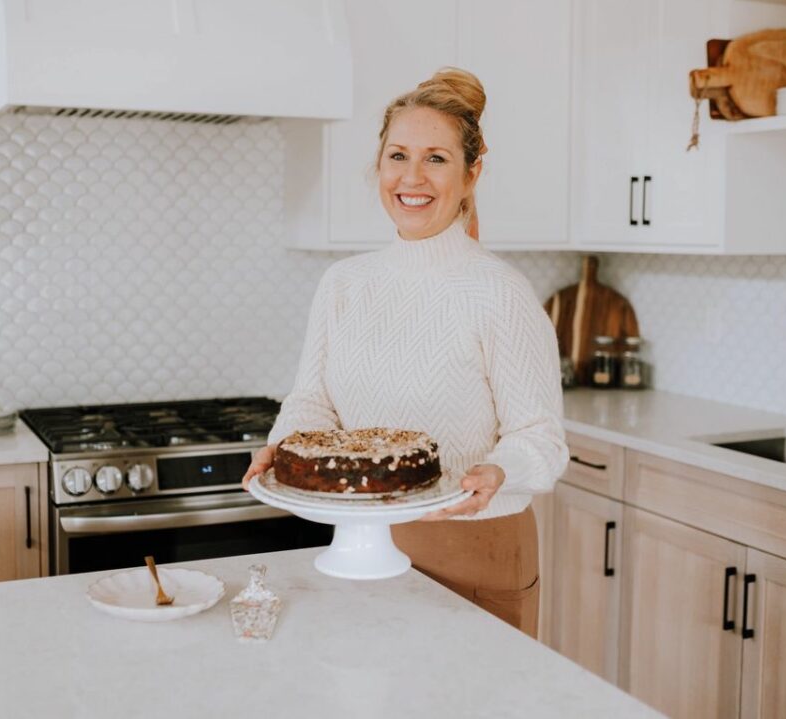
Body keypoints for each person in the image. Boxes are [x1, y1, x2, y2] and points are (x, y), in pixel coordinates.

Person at [243, 67, 568, 635]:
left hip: (474, 549)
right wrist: (282, 447)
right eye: (398, 155)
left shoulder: (500, 291)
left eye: (436, 158)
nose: (412, 176)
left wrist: (499, 470)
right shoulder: (342, 283)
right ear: (378, 166)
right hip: (357, 552)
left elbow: (541, 437)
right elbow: (313, 403)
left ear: (472, 175)